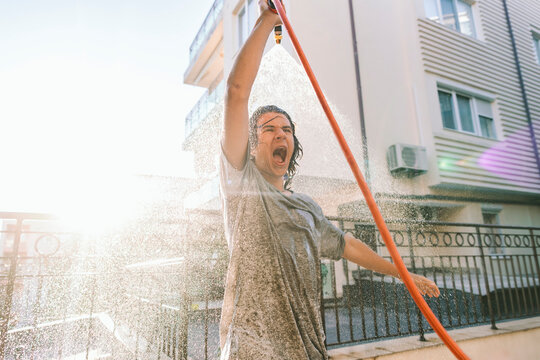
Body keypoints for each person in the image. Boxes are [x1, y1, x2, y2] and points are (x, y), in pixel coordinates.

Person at [219, 2, 440, 359]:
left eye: (287, 130)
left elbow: (348, 245)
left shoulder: (307, 207)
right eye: (268, 129)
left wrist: (402, 274)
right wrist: (267, 20)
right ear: (251, 142)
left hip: (307, 349)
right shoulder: (241, 184)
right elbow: (236, 92)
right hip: (251, 349)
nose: (281, 135)